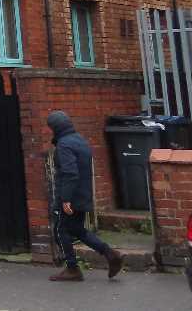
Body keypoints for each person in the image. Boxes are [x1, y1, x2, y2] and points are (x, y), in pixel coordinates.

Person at [47, 110, 124, 282]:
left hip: (70, 198)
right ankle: (110, 254)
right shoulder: (79, 140)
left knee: (61, 231)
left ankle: (72, 268)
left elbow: (70, 173)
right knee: (77, 230)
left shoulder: (64, 145)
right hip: (83, 195)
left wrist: (65, 198)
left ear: (55, 128)